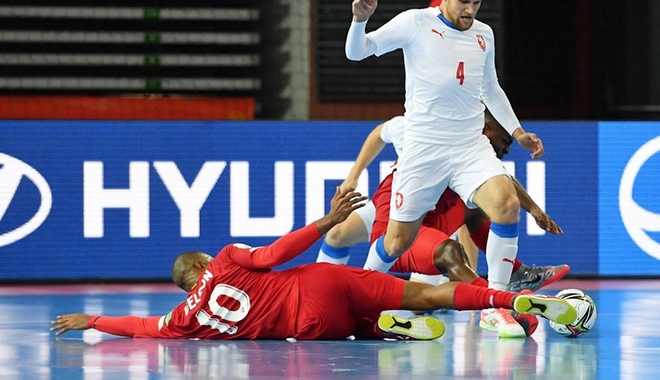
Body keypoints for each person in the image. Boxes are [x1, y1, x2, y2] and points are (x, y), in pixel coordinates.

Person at [51, 188, 577, 341]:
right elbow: (276, 256)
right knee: (429, 292)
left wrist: (92, 320)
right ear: (205, 261)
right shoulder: (230, 260)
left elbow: (141, 326)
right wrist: (324, 223)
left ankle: (378, 331)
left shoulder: (186, 319)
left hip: (308, 328)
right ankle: (509, 301)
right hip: (319, 281)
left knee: (353, 328)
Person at [345, 0, 546, 336]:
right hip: (424, 150)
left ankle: (495, 304)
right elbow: (357, 53)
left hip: (469, 145)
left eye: (477, 3)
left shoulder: (483, 34)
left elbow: (491, 88)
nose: (470, 11)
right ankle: (360, 293)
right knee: (396, 240)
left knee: (506, 203)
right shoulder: (415, 23)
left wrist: (517, 132)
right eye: (464, 2)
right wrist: (360, 20)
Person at [316, 111, 568, 294]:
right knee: (337, 235)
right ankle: (326, 291)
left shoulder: (476, 151)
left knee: (473, 214)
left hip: (428, 221)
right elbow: (379, 133)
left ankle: (504, 286)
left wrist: (533, 209)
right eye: (506, 142)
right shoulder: (419, 127)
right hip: (396, 208)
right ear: (486, 130)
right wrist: (352, 177)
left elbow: (503, 185)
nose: (507, 149)